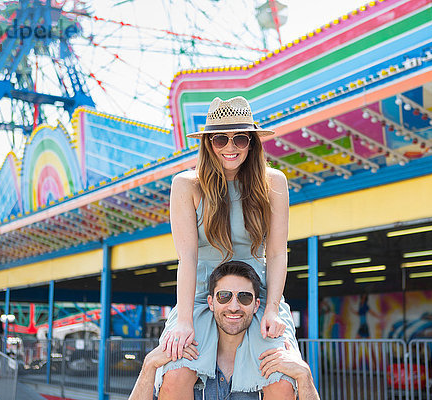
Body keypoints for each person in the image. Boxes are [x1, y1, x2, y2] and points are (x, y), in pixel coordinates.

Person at [156, 96, 298, 399]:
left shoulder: (274, 182)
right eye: (220, 138)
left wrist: (272, 309)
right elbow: (187, 257)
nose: (230, 147)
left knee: (282, 378)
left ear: (252, 143)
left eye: (240, 138)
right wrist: (183, 321)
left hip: (256, 296)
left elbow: (276, 253)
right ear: (208, 144)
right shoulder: (186, 185)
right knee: (175, 374)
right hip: (199, 296)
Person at [129, 261, 319, 400]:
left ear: (256, 305)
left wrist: (305, 375)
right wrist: (149, 365)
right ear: (211, 302)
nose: (234, 306)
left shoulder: (271, 365)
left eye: (244, 297)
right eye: (224, 296)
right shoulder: (185, 364)